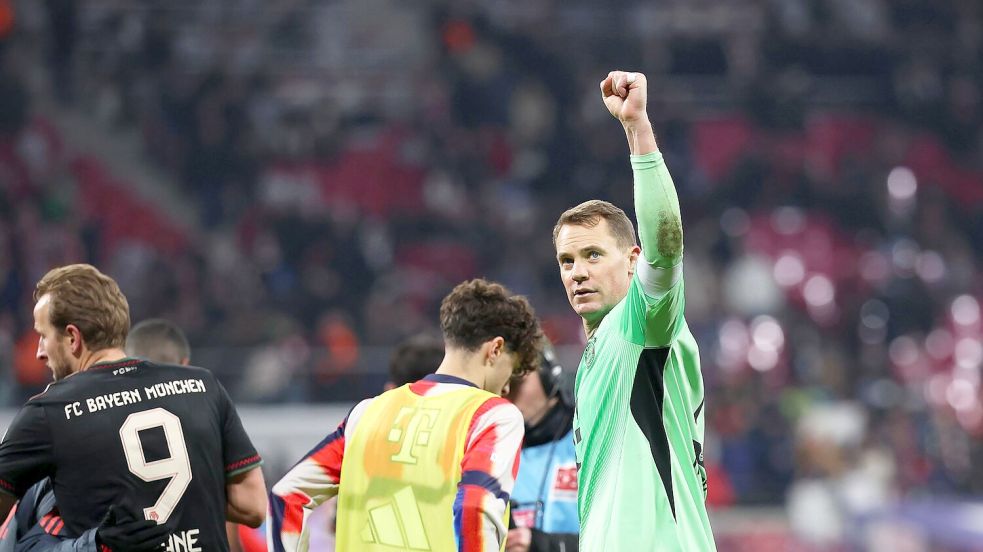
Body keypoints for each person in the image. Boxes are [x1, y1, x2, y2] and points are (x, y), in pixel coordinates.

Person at [552, 71, 714, 550]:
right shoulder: (595, 358)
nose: (577, 272)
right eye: (567, 261)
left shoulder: (641, 325)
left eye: (593, 255)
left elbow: (667, 246)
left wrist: (637, 129)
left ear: (632, 260)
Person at [0, 264, 268, 551]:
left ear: (72, 338)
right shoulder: (204, 385)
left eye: (43, 335)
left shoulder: (49, 412)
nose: (40, 351)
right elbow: (253, 506)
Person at [269, 278, 543, 552]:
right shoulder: (491, 416)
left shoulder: (367, 412)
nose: (507, 387)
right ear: (495, 349)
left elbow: (287, 495)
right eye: (512, 369)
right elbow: (475, 506)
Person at [505, 340, 579, 552]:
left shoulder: (592, 441)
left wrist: (546, 545)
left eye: (516, 381)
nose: (506, 392)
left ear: (549, 376)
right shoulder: (495, 456)